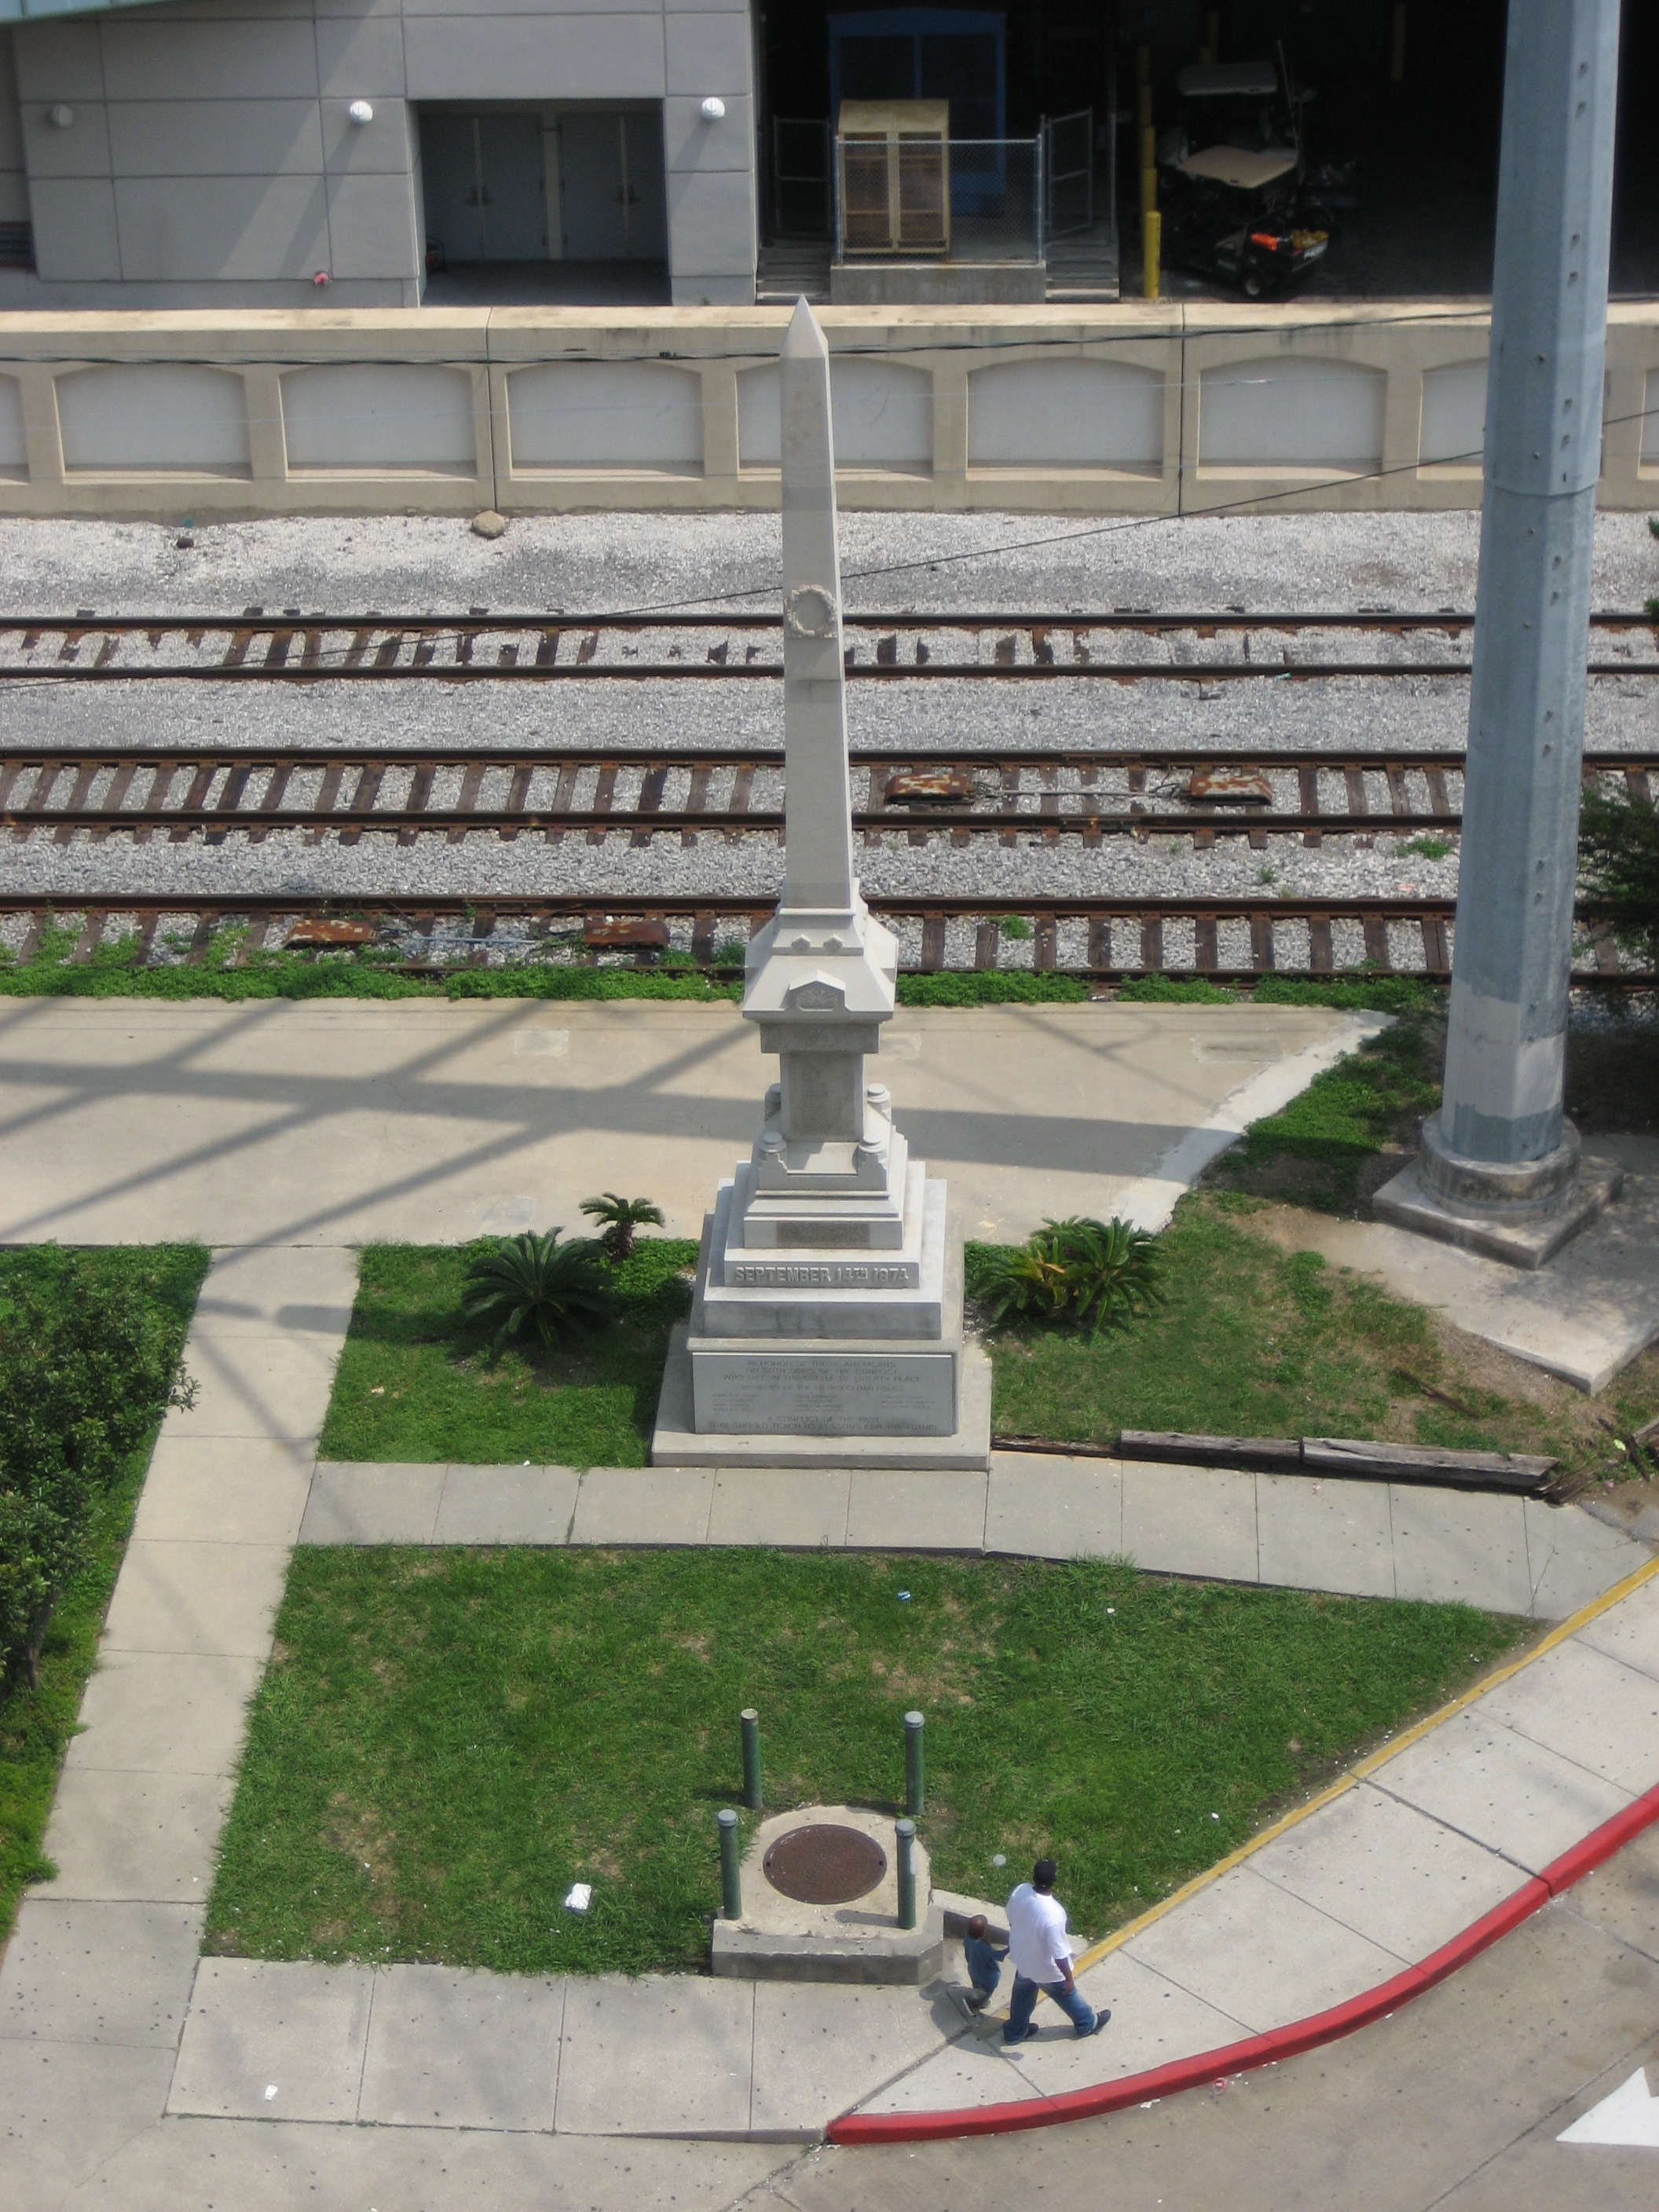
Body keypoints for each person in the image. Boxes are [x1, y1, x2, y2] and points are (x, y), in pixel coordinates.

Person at [1002, 1858, 1108, 2045]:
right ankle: (1087, 2023)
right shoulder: (1054, 1914)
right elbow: (1059, 1954)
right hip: (1046, 1968)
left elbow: (1010, 1917)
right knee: (1067, 1995)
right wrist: (1068, 1979)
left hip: (1022, 1958)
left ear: (1033, 1876)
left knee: (1022, 1994)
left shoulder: (1020, 1891)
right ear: (1054, 1880)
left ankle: (1015, 2032)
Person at [960, 1913, 1006, 2009]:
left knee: (977, 1984)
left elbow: (967, 1954)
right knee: (986, 1991)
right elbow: (998, 1956)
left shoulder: (967, 1939)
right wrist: (1010, 1948)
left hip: (973, 1969)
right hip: (987, 1975)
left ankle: (976, 1994)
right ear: (984, 1931)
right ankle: (978, 2003)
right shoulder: (983, 1946)